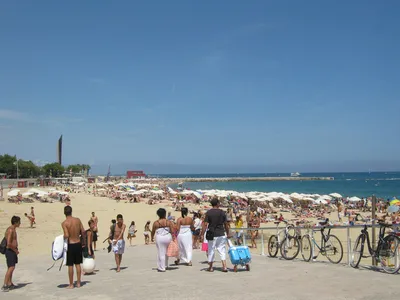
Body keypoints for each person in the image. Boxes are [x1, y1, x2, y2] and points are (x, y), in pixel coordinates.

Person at [201, 198, 231, 272]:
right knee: (222, 250)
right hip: (221, 233)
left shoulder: (209, 212)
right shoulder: (222, 212)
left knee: (211, 250)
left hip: (212, 234)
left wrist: (202, 234)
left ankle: (210, 267)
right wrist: (228, 233)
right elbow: (226, 224)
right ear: (217, 204)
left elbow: (205, 225)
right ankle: (224, 266)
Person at [61, 206, 86, 289]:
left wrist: (62, 238)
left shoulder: (64, 223)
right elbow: (83, 231)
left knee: (70, 265)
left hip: (70, 244)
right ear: (71, 211)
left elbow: (67, 235)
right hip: (78, 243)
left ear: (64, 213)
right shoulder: (77, 220)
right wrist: (84, 242)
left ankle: (71, 284)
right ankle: (78, 283)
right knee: (78, 264)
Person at [2, 216, 21, 292]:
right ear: (15, 222)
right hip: (10, 251)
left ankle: (10, 283)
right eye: (19, 222)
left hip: (12, 250)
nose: (20, 223)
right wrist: (15, 250)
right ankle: (5, 285)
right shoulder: (10, 230)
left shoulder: (13, 229)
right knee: (11, 268)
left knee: (11, 267)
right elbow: (9, 244)